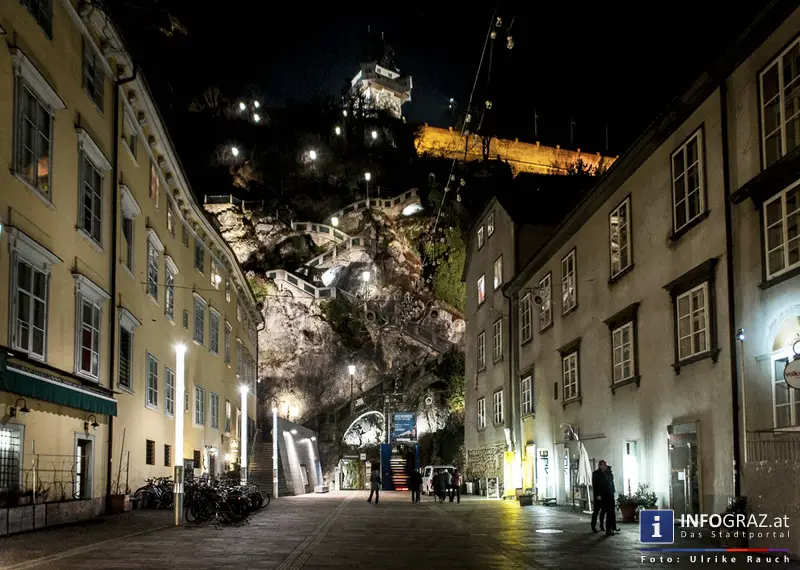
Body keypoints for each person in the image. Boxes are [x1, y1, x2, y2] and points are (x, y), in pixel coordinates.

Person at [591, 460, 610, 534]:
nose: (605, 467)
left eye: (605, 465)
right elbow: (595, 485)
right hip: (598, 496)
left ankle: (602, 525)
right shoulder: (596, 474)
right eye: (603, 465)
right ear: (600, 466)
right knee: (596, 512)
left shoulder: (606, 473)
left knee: (603, 512)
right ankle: (593, 526)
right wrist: (597, 495)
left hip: (605, 496)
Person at [605, 465, 618, 534]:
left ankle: (613, 527)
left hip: (611, 495)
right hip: (608, 497)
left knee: (612, 513)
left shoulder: (608, 476)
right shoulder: (607, 476)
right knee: (610, 514)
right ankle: (609, 529)